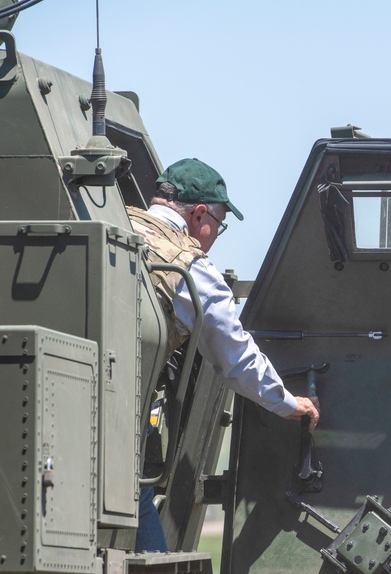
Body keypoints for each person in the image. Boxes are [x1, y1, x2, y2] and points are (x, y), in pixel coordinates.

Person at [131, 158, 320, 552]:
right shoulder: (190, 268)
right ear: (199, 213)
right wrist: (287, 403)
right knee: (138, 503)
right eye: (217, 224)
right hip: (125, 416)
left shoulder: (114, 224)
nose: (216, 235)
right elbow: (235, 356)